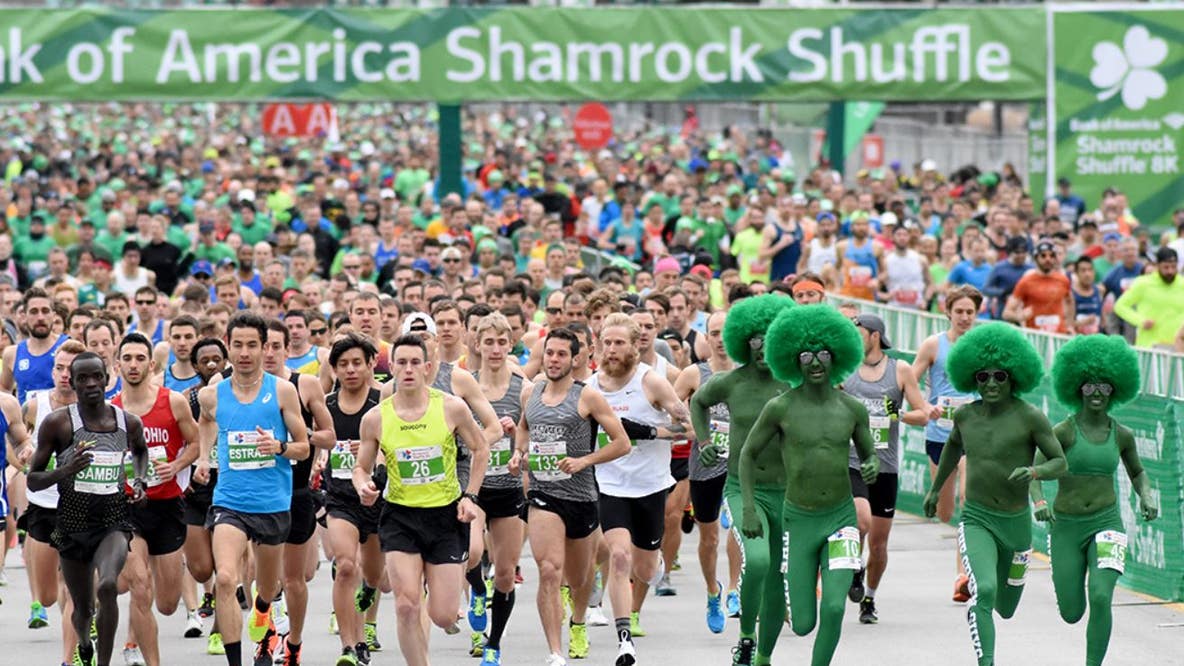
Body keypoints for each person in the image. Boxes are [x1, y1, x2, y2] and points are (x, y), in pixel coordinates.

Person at [740, 304, 878, 666]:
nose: (815, 363)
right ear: (792, 360)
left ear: (837, 357)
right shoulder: (779, 407)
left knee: (834, 606)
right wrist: (749, 508)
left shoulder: (853, 409)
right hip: (798, 521)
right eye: (805, 355)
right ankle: (763, 653)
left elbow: (869, 454)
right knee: (802, 623)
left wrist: (871, 465)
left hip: (841, 518)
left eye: (823, 355)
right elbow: (747, 455)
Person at [922, 322, 1068, 666]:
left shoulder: (1031, 417)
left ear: (1014, 377)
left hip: (1017, 526)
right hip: (977, 518)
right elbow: (951, 451)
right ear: (971, 377)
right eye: (982, 376)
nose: (990, 383)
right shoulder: (965, 415)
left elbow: (1060, 462)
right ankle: (986, 660)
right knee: (984, 591)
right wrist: (934, 490)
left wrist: (1035, 471)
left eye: (999, 376)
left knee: (1007, 606)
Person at [352, 334, 490, 666]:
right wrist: (363, 485)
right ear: (392, 369)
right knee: (405, 605)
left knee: (442, 615)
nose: (409, 369)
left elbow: (481, 448)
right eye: (401, 362)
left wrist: (470, 496)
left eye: (416, 362)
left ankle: (447, 603)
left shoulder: (451, 407)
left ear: (428, 368)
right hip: (400, 516)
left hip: (445, 517)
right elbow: (361, 467)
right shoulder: (376, 418)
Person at [195, 312, 311, 666]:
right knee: (227, 579)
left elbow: (304, 447)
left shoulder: (283, 391)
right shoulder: (211, 395)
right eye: (238, 345)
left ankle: (263, 608)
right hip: (229, 501)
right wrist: (203, 457)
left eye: (252, 345)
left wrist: (278, 447)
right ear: (228, 347)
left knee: (268, 587)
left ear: (264, 348)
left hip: (273, 503)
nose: (244, 353)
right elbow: (205, 422)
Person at [510, 327, 631, 666]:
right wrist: (518, 454)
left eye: (562, 354)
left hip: (580, 496)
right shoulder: (530, 393)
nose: (554, 359)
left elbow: (621, 443)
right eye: (549, 353)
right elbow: (524, 426)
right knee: (549, 569)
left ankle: (578, 621)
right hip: (543, 493)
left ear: (575, 359)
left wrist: (585, 460)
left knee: (578, 578)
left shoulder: (587, 396)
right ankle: (555, 651)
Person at [1035, 335, 1157, 666]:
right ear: (1077, 388)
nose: (1097, 393)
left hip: (1106, 523)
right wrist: (1038, 503)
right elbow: (1035, 470)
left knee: (1101, 596)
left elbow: (1138, 473)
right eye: (1089, 386)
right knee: (1072, 612)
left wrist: (1146, 494)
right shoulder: (1063, 431)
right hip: (1066, 527)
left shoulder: (1122, 435)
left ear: (1115, 389)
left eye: (1104, 386)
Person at [27, 351, 150, 666]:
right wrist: (65, 471)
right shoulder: (59, 423)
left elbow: (140, 452)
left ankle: (105, 663)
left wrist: (138, 483)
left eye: (97, 376)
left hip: (113, 522)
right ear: (74, 382)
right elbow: (34, 480)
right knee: (83, 610)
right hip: (72, 526)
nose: (92, 383)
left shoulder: (127, 422)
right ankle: (84, 641)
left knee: (108, 585)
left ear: (108, 379)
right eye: (83, 378)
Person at [691, 294, 794, 666]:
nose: (763, 346)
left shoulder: (793, 382)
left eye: (771, 337)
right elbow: (697, 403)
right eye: (755, 339)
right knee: (759, 560)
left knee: (777, 576)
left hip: (788, 491)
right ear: (743, 342)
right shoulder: (730, 382)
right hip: (742, 486)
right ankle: (746, 635)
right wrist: (703, 442)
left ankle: (762, 654)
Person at [585, 313, 692, 665]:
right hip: (610, 482)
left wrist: (644, 431)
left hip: (649, 485)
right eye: (606, 342)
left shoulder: (652, 383)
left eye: (619, 343)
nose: (611, 350)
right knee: (618, 556)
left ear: (635, 346)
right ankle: (624, 639)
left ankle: (656, 563)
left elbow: (689, 430)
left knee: (645, 570)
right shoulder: (591, 385)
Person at [111, 333, 201, 666]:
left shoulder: (172, 401)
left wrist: (176, 466)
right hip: (128, 508)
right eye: (127, 359)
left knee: (166, 602)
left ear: (151, 364)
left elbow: (195, 443)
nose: (133, 365)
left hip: (167, 506)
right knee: (139, 585)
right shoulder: (111, 410)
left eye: (139, 359)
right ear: (117, 364)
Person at [842, 314, 938, 624]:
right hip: (853, 461)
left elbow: (923, 413)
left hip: (885, 465)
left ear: (875, 336)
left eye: (859, 333)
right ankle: (855, 568)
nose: (854, 338)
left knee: (879, 543)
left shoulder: (900, 370)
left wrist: (895, 415)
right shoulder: (846, 370)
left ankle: (869, 597)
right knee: (860, 521)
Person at [260, 319, 337, 666]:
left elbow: (329, 436)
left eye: (277, 346)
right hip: (256, 492)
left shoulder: (304, 385)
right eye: (265, 345)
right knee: (261, 577)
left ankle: (293, 642)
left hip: (296, 491)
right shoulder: (239, 389)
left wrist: (299, 435)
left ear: (286, 349)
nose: (270, 353)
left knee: (294, 579)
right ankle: (267, 637)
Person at [911, 284, 981, 601]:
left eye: (970, 312)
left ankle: (962, 575)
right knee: (945, 510)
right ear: (948, 312)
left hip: (974, 436)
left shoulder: (984, 346)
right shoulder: (933, 345)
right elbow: (908, 380)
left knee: (969, 499)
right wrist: (926, 407)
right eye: (960, 312)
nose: (965, 317)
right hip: (940, 435)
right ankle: (939, 497)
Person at [470, 313, 532, 666]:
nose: (495, 349)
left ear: (511, 345)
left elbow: (533, 433)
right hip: (474, 485)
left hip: (508, 486)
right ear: (477, 345)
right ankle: (477, 589)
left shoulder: (523, 387)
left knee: (506, 573)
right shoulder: (466, 386)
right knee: (473, 552)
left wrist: (516, 446)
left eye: (501, 342)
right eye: (488, 342)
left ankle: (493, 644)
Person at [19, 340, 85, 664]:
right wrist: (26, 453)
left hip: (81, 509)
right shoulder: (35, 405)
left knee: (73, 589)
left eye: (71, 370)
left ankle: (67, 659)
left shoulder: (94, 410)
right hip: (43, 506)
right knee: (47, 594)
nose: (63, 374)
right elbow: (21, 440)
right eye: (59, 367)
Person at [672, 310, 736, 634]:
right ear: (706, 338)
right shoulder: (693, 375)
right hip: (704, 465)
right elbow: (670, 413)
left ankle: (736, 588)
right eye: (714, 333)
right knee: (709, 538)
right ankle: (714, 591)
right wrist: (693, 428)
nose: (720, 339)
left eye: (726, 332)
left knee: (740, 527)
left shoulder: (748, 374)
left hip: (740, 464)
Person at [322, 332, 384, 666]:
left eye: (357, 363)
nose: (350, 370)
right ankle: (349, 645)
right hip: (340, 500)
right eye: (343, 364)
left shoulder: (382, 402)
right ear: (333, 369)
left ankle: (366, 605)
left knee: (373, 578)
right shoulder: (327, 405)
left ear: (371, 364)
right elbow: (312, 438)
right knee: (346, 566)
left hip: (377, 501)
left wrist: (376, 453)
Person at [180, 337, 230, 657]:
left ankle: (219, 629)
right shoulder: (185, 399)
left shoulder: (237, 394)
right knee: (200, 568)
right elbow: (181, 441)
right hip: (196, 486)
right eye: (205, 360)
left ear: (226, 360)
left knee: (225, 565)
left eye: (217, 358)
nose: (212, 364)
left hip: (228, 484)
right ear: (195, 366)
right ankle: (207, 595)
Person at [2, 287, 70, 404]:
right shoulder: (12, 353)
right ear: (24, 316)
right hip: (27, 421)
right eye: (34, 312)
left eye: (45, 311)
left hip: (62, 420)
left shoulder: (68, 346)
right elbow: (3, 390)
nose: (40, 318)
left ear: (53, 315)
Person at [1113, 246, 1184, 349]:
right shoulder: (1143, 283)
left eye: (1173, 267)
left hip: (1177, 347)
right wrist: (1140, 321)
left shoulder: (1182, 284)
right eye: (1166, 267)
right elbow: (1120, 306)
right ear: (1157, 265)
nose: (1170, 271)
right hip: (1150, 346)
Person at [1004, 240, 1075, 334]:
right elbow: (1006, 313)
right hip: (1035, 335)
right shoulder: (1026, 281)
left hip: (1058, 335)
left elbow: (1070, 302)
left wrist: (1069, 325)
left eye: (1051, 255)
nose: (1048, 259)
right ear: (1036, 258)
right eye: (1043, 255)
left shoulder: (1063, 280)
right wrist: (1019, 316)